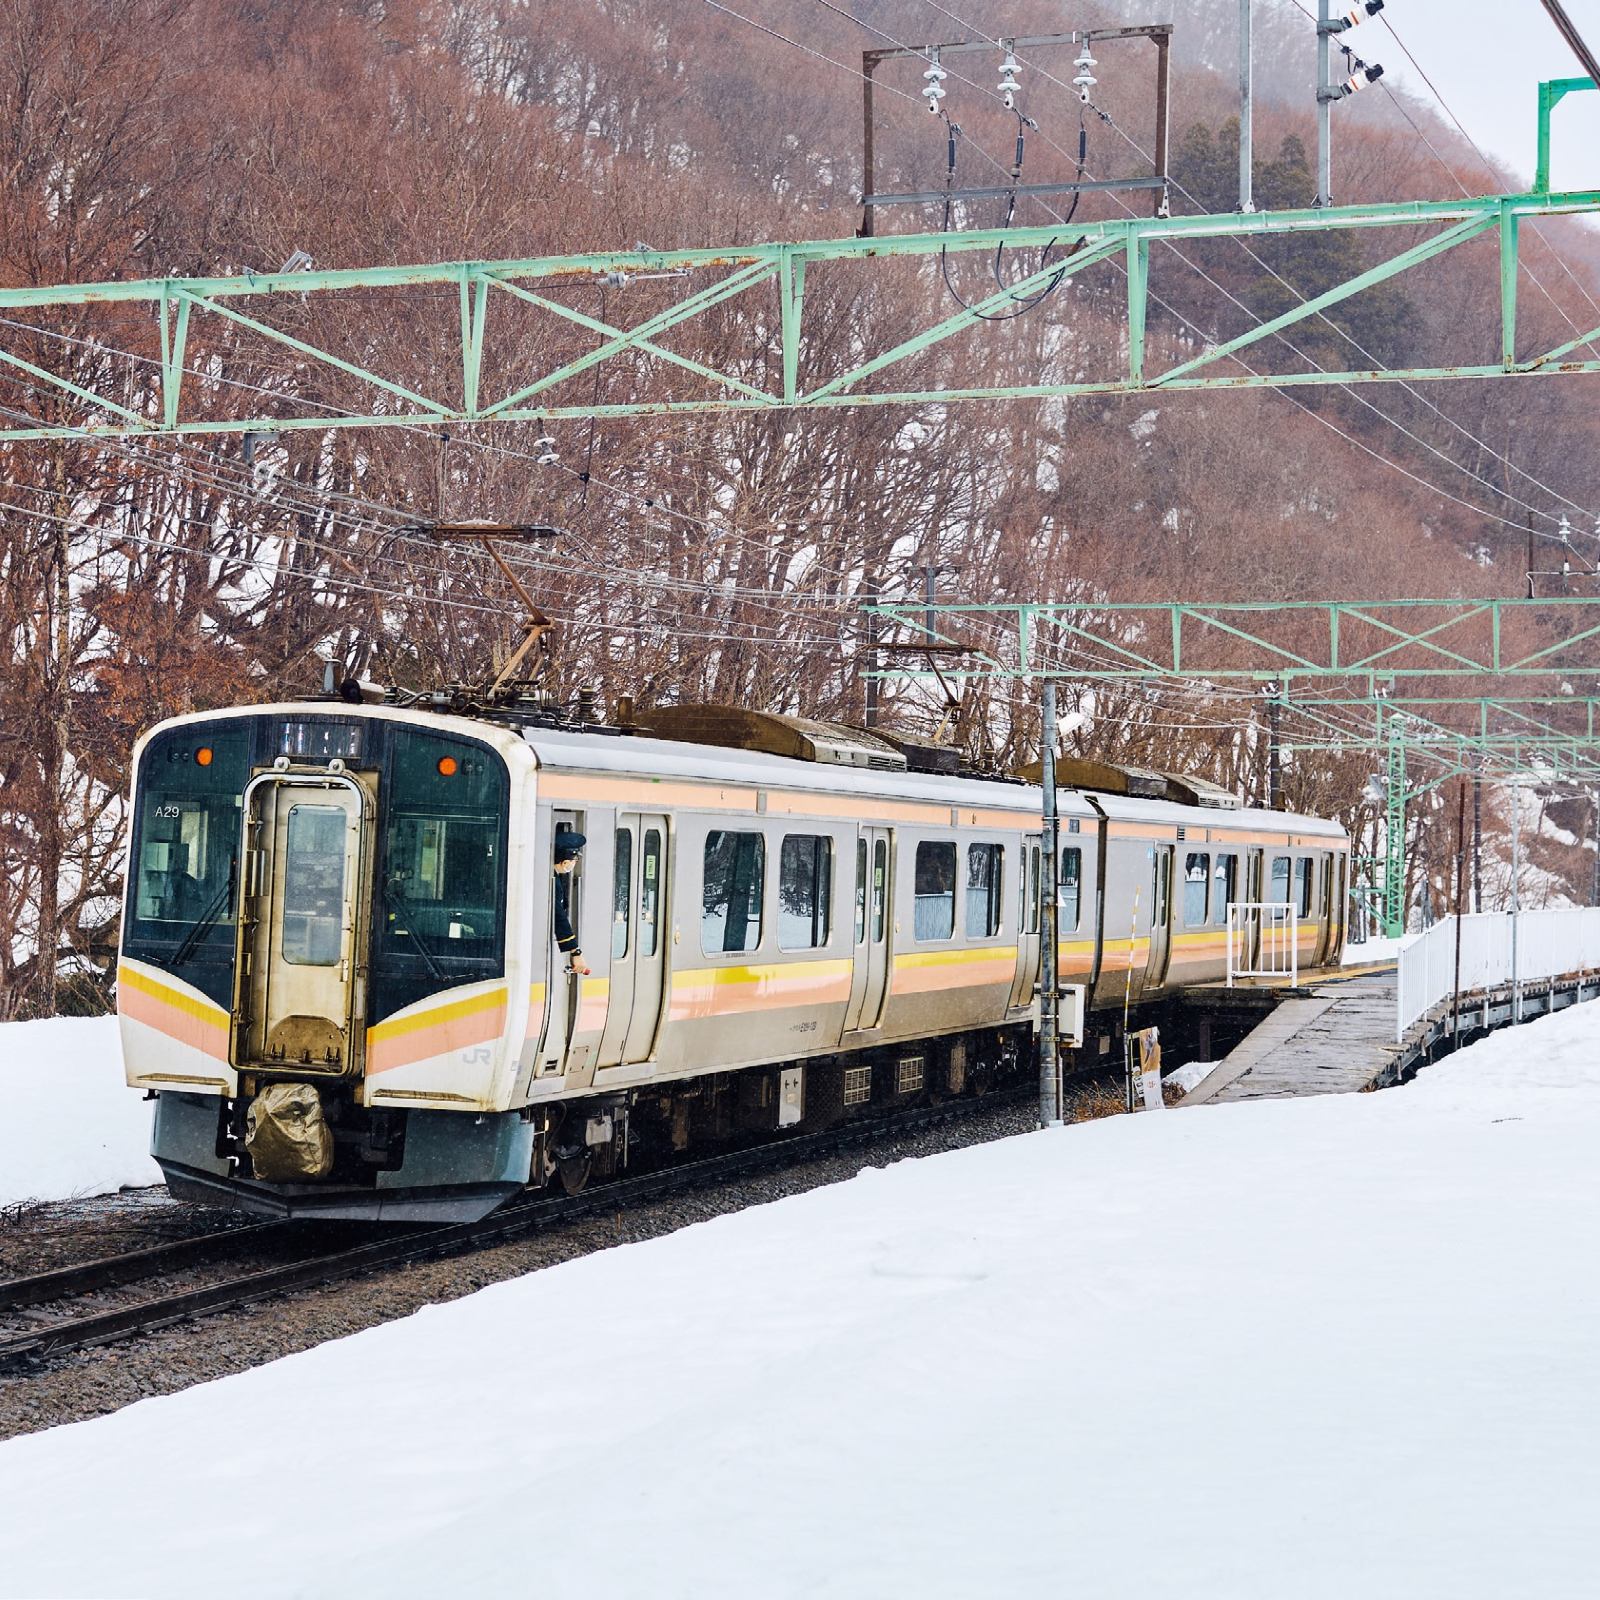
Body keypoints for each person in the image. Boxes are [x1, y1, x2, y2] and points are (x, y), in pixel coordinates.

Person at [552, 828, 590, 976]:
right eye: (575, 860)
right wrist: (575, 951)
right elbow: (558, 916)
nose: (575, 863)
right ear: (565, 862)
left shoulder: (555, 877)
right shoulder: (552, 882)